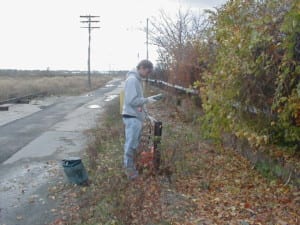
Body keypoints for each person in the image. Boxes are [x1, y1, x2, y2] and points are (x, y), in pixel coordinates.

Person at [122, 59, 161, 179]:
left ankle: (133, 167)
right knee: (131, 145)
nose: (147, 75)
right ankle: (130, 172)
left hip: (135, 117)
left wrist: (146, 115)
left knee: (134, 144)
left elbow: (137, 102)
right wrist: (148, 99)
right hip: (132, 117)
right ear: (142, 68)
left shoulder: (137, 80)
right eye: (147, 72)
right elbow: (132, 101)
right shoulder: (132, 80)